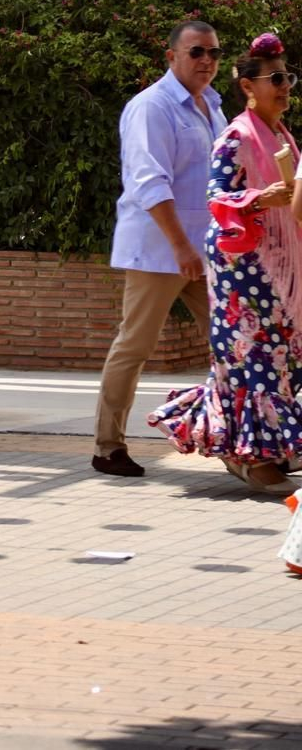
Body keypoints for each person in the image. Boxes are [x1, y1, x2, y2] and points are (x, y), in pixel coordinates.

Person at [146, 33, 302, 494]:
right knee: (253, 360)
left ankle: (267, 448)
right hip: (244, 270)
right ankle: (247, 456)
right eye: (275, 78)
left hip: (281, 267)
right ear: (249, 87)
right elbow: (217, 197)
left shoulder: (282, 137)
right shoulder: (235, 136)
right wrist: (260, 198)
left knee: (281, 358)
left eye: (288, 76)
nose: (285, 86)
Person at [93, 20, 228, 478]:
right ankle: (107, 446)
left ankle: (246, 443)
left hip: (206, 249)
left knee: (233, 342)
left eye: (213, 52)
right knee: (136, 344)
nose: (206, 61)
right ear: (171, 57)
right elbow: (149, 182)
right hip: (161, 248)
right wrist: (181, 247)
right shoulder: (151, 107)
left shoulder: (212, 106)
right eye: (196, 53)